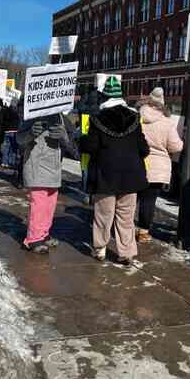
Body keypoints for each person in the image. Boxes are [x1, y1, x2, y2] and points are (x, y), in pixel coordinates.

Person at [79, 76, 150, 266]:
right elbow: (144, 149)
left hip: (105, 174)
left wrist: (82, 139)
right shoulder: (135, 118)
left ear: (105, 97)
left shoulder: (97, 119)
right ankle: (126, 252)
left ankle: (100, 249)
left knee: (104, 215)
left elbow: (91, 147)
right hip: (130, 175)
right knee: (126, 216)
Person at [17, 112, 76, 254]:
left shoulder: (60, 117)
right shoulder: (31, 114)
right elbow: (19, 139)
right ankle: (34, 239)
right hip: (36, 164)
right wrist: (31, 133)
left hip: (54, 166)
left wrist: (64, 136)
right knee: (39, 203)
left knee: (50, 203)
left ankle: (43, 233)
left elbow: (71, 145)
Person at [136, 87, 184, 243]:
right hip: (157, 168)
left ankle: (125, 228)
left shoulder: (137, 118)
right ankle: (143, 232)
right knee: (148, 201)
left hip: (137, 164)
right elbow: (176, 147)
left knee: (130, 199)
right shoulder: (167, 122)